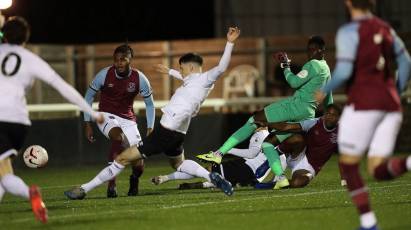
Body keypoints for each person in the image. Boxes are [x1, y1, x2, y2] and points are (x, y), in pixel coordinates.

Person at [64, 27, 241, 199]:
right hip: (178, 133)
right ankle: (211, 177)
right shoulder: (196, 80)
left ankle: (83, 189)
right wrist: (170, 71)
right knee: (179, 164)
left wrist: (229, 43)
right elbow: (185, 78)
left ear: (192, 68)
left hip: (165, 130)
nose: (181, 71)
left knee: (122, 159)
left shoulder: (206, 78)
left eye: (182, 68)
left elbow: (221, 67)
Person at [315, 1, 411, 229]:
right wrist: (394, 93)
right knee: (377, 170)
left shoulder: (350, 31)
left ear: (348, 3)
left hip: (364, 103)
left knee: (348, 166)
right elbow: (406, 63)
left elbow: (345, 71)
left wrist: (325, 91)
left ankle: (368, 223)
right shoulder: (385, 28)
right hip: (391, 105)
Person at [0, 17, 103, 224]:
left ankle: (30, 194)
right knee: (3, 169)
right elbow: (62, 87)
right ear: (26, 38)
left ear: (4, 34)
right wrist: (90, 112)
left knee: (4, 172)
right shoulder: (31, 58)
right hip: (19, 123)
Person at [198, 35, 333, 189]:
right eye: (309, 50)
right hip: (308, 114)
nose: (311, 53)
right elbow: (329, 99)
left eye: (315, 49)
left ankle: (218, 154)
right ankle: (281, 178)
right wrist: (329, 119)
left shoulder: (313, 65)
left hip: (295, 107)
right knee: (268, 145)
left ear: (323, 50)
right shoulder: (327, 70)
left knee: (254, 119)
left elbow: (293, 82)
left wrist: (285, 66)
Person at [83, 44, 155, 198]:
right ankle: (111, 184)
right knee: (118, 137)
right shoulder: (104, 75)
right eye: (116, 60)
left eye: (123, 60)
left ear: (130, 60)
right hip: (105, 115)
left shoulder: (140, 79)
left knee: (139, 162)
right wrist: (87, 123)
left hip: (128, 119)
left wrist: (150, 128)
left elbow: (150, 104)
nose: (119, 63)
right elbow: (88, 97)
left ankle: (134, 180)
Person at [152, 128, 287, 189]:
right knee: (219, 178)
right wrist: (273, 182)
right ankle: (197, 185)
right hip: (254, 176)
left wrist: (226, 150)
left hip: (247, 168)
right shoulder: (276, 143)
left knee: (210, 169)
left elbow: (251, 154)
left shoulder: (261, 134)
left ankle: (167, 178)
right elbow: (281, 164)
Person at [255, 104, 341, 188]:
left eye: (333, 115)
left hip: (309, 167)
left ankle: (272, 184)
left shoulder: (342, 130)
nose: (329, 117)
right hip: (299, 153)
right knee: (297, 138)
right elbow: (287, 127)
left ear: (339, 117)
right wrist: (267, 123)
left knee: (298, 183)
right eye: (328, 114)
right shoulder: (314, 123)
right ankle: (270, 161)